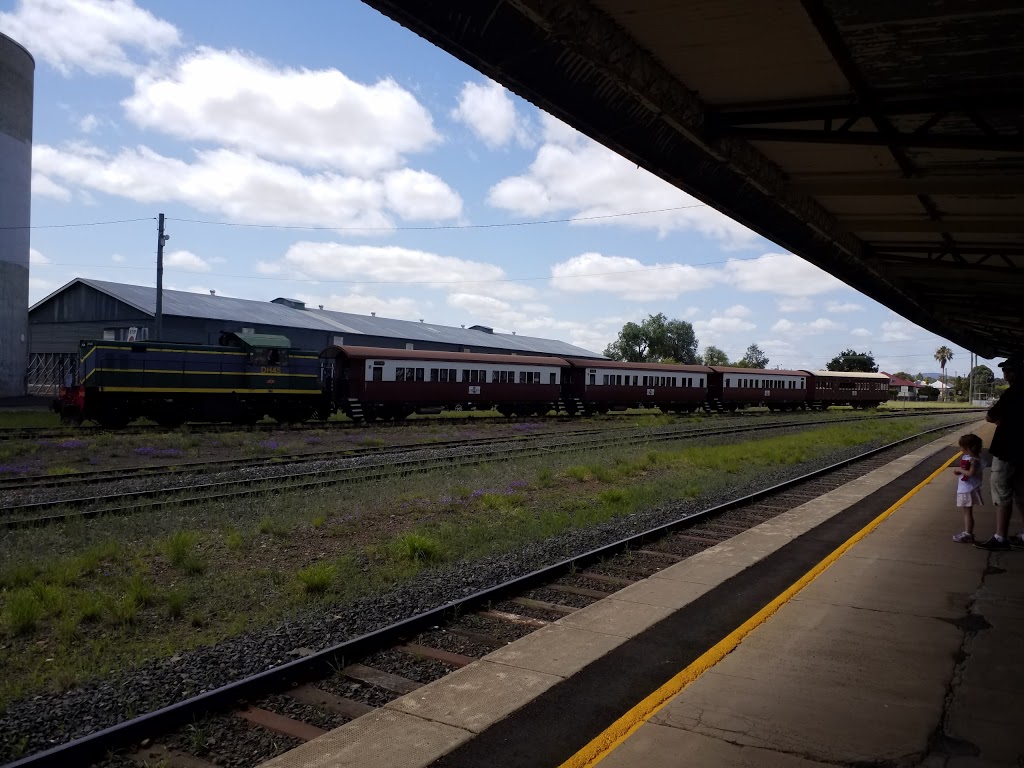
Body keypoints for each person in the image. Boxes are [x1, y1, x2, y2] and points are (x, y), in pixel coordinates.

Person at [975, 353, 1024, 551]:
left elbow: (989, 416)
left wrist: (1001, 420)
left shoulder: (1012, 393)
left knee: (1001, 490)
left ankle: (1000, 538)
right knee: (1021, 492)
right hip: (1022, 452)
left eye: (1008, 370)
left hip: (1007, 449)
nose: (1004, 373)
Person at [952, 434, 984, 543]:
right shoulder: (971, 458)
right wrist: (960, 471)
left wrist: (960, 470)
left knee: (967, 513)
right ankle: (968, 533)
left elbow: (971, 473)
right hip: (968, 488)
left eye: (962, 447)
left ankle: (968, 534)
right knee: (967, 512)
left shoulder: (973, 460)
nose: (960, 449)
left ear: (968, 448)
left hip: (968, 489)